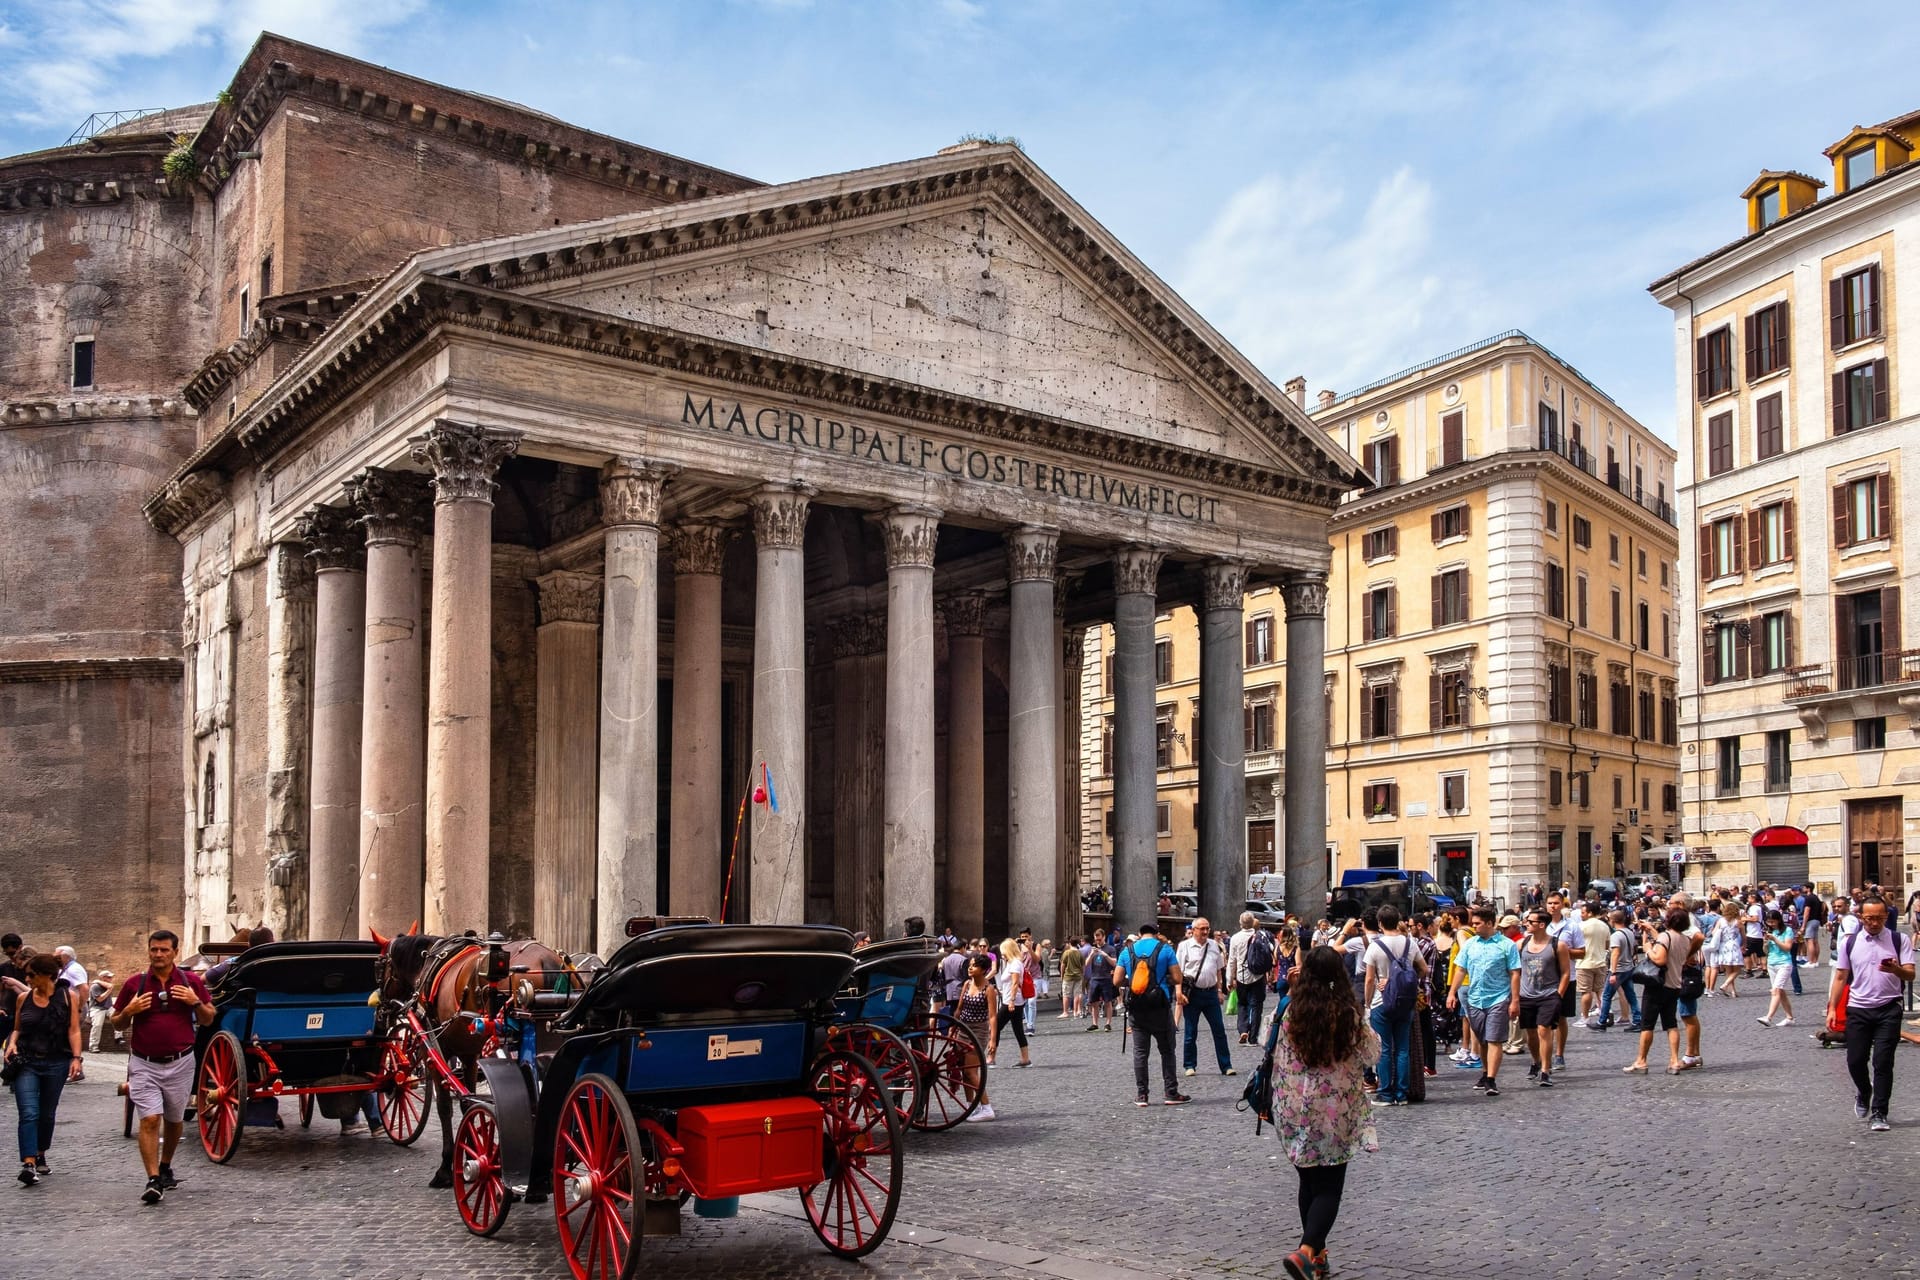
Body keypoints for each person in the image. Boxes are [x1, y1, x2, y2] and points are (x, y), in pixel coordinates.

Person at [1273, 945, 1379, 1280]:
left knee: (1309, 1180)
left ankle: (1317, 1257)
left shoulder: (1292, 1010)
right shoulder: (1347, 1013)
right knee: (1330, 1184)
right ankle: (1306, 1251)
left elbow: (1271, 1046)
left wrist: (1289, 994)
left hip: (1294, 1107)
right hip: (1335, 1109)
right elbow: (1372, 1054)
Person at [111, 929, 216, 1204]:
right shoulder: (135, 984)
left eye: (164, 950)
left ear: (174, 952)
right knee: (149, 1119)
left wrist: (195, 1002)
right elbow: (116, 1022)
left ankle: (166, 1163)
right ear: (149, 951)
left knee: (174, 1120)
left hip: (180, 1062)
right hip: (144, 1062)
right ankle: (153, 1179)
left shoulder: (190, 982)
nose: (158, 954)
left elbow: (207, 1019)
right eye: (154, 949)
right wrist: (129, 1012)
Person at [1832, 897, 1914, 1132]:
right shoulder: (1849, 942)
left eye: (1879, 918)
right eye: (1869, 918)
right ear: (1861, 917)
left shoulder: (1899, 940)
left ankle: (1879, 1112)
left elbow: (1910, 976)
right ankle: (1864, 1090)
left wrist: (1896, 969)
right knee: (1855, 1060)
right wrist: (1831, 1008)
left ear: (1886, 917)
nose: (1874, 922)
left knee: (1883, 1062)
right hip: (1858, 1008)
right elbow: (1840, 977)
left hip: (1889, 1007)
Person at [4, 953, 84, 1184]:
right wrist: (11, 1043)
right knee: (29, 1112)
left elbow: (74, 1030)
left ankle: (40, 1152)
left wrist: (77, 1058)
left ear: (47, 975)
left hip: (56, 1062)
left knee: (47, 1113)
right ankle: (28, 1163)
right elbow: (17, 1028)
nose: (27, 979)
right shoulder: (23, 999)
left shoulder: (68, 998)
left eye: (31, 975)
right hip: (27, 1062)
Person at [1446, 906, 1520, 1097]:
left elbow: (1514, 973)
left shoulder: (1506, 945)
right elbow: (1460, 969)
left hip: (1499, 997)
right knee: (1482, 1039)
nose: (1474, 926)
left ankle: (1492, 1079)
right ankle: (1486, 1073)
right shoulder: (1471, 944)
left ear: (1489, 923)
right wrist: (1452, 993)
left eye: (1477, 923)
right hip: (1475, 998)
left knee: (1494, 1038)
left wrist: (1514, 1000)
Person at [1115, 923, 1187, 1106]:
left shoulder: (1127, 951)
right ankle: (1171, 1092)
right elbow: (1178, 978)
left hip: (1137, 1008)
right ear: (1156, 934)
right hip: (1160, 1006)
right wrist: (1165, 978)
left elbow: (1116, 980)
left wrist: (1133, 980)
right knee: (1167, 1050)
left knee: (1140, 1053)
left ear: (1139, 934)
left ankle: (1142, 1095)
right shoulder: (1165, 949)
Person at [1360, 905, 1425, 1106]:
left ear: (1379, 923)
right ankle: (1402, 1093)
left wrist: (1368, 1001)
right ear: (1398, 920)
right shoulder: (1410, 943)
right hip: (1405, 1001)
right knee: (1403, 1048)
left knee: (1385, 1048)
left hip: (1382, 1001)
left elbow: (1370, 979)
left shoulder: (1375, 946)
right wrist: (1407, 982)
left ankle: (1386, 1093)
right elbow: (1423, 969)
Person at [1624, 908, 1694, 1075]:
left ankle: (1641, 1061)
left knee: (1647, 1025)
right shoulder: (1685, 939)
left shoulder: (1665, 936)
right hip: (1675, 985)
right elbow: (1669, 946)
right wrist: (1651, 931)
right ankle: (1675, 1060)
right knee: (1671, 1024)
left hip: (1658, 986)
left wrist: (1647, 948)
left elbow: (1660, 959)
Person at [1516, 909, 1571, 1088]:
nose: (1526, 924)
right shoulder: (1521, 944)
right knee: (1531, 1034)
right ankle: (1535, 1061)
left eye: (1530, 921)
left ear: (1541, 924)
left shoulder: (1558, 945)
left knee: (1543, 1030)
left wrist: (1558, 995)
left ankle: (1546, 1070)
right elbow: (1515, 971)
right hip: (1526, 995)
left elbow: (1565, 973)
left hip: (1549, 995)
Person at [1176, 917, 1234, 1078]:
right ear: (1193, 930)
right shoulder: (1184, 946)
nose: (1205, 931)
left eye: (1207, 928)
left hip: (1210, 994)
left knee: (1219, 1030)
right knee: (1190, 1031)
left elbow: (1218, 970)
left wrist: (1220, 990)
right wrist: (1179, 992)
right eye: (1201, 928)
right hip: (1192, 994)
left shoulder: (1214, 945)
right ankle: (1189, 1065)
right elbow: (1178, 972)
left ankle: (1226, 1065)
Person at [951, 954, 997, 1122]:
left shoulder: (989, 989)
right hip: (963, 1029)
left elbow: (992, 1016)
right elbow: (959, 1008)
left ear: (984, 970)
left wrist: (993, 1040)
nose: (970, 968)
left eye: (974, 966)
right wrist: (953, 1026)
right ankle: (971, 1105)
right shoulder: (967, 984)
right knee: (965, 1071)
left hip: (979, 1032)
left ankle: (987, 1108)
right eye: (970, 965)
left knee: (971, 1072)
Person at [1227, 912, 1273, 1045]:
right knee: (1257, 1005)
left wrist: (1230, 979)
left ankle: (1243, 1029)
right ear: (1253, 922)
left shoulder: (1235, 938)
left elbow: (1232, 960)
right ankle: (1253, 1036)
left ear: (1240, 923)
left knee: (1243, 1004)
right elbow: (1270, 952)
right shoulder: (1261, 935)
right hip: (1258, 975)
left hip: (1242, 975)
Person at [987, 938, 1030, 1068]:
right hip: (1013, 1000)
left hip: (1012, 1001)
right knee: (1018, 1030)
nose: (1002, 954)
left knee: (995, 1027)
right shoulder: (1012, 962)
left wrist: (1011, 1000)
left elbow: (1015, 983)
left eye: (1003, 951)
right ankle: (1025, 1059)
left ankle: (991, 1057)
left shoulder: (1015, 963)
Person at [1594, 909, 1639, 1030]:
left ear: (1612, 920)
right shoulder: (1629, 932)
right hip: (1628, 968)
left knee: (1606, 996)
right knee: (1631, 996)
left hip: (1618, 970)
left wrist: (1612, 972)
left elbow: (1615, 954)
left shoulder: (1616, 935)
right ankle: (1637, 1019)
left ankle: (1602, 1021)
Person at [1757, 909, 1797, 1027]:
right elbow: (1766, 951)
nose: (1771, 924)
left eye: (1773, 922)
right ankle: (1789, 1017)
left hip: (1784, 963)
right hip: (1771, 963)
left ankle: (1768, 1017)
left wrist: (1775, 939)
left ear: (1779, 920)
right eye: (1769, 922)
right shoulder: (1770, 931)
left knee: (1776, 990)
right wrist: (1765, 943)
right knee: (1780, 991)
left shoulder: (1787, 931)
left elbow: (1787, 947)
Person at [1575, 901, 1610, 1025]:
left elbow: (1574, 943)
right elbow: (1607, 944)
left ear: (1590, 913)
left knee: (1586, 992)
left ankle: (1585, 1017)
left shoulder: (1581, 926)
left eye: (1583, 913)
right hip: (1600, 962)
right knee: (1600, 990)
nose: (1581, 915)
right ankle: (1605, 1012)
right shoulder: (1604, 926)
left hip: (1584, 963)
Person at [1084, 933, 1118, 1032]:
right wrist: (1091, 955)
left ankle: (1108, 1023)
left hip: (1106, 978)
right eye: (1096, 940)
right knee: (1094, 1002)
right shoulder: (1092, 949)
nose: (1098, 941)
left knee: (1108, 1001)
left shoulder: (1110, 949)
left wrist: (1105, 955)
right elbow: (1086, 964)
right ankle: (1095, 1024)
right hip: (1094, 978)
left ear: (1104, 937)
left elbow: (1114, 963)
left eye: (1099, 939)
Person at [86, 968, 117, 1052]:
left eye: (111, 977)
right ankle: (93, 1046)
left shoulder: (107, 985)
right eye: (109, 977)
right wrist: (109, 990)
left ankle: (118, 1037)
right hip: (97, 1008)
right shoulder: (95, 986)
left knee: (118, 1017)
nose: (111, 979)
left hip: (108, 1007)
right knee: (97, 1025)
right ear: (103, 978)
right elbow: (100, 999)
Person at [1058, 936, 1085, 1018]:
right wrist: (1082, 973)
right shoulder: (1080, 953)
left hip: (1068, 975)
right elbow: (1083, 965)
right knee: (1077, 994)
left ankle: (1065, 1012)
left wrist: (1061, 975)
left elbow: (1063, 965)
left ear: (1070, 943)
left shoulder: (1067, 952)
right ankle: (1076, 1011)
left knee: (1066, 994)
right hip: (1078, 975)